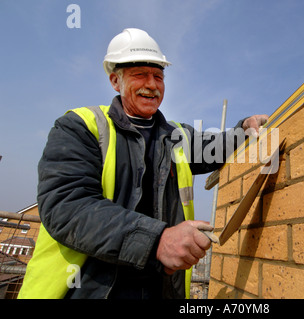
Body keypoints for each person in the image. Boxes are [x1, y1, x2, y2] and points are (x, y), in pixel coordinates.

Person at [18, 28, 268, 299]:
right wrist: (156, 240)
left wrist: (244, 128)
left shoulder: (176, 137)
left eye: (158, 76)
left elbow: (215, 148)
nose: (152, 84)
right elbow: (67, 206)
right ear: (116, 80)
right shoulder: (81, 127)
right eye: (140, 75)